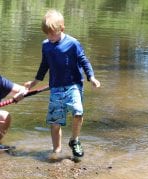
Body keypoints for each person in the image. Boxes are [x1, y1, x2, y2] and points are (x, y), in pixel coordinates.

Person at [25, 9, 101, 160]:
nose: (50, 37)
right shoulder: (46, 45)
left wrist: (91, 77)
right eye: (47, 33)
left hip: (73, 85)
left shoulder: (73, 44)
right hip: (56, 88)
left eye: (53, 33)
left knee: (78, 112)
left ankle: (74, 140)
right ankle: (57, 150)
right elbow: (44, 65)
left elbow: (84, 61)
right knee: (55, 122)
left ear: (62, 29)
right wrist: (34, 82)